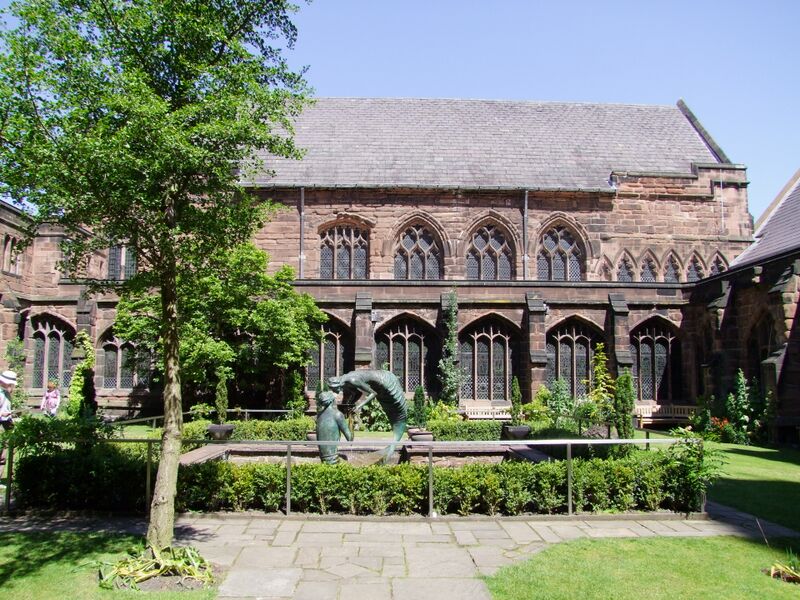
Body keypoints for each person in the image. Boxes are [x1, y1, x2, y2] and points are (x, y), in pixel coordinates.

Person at [0, 370, 17, 465]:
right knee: (2, 438)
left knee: (12, 435)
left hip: (7, 419)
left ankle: (8, 456)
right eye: (10, 383)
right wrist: (2, 414)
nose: (11, 385)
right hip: (2, 418)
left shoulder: (5, 391)